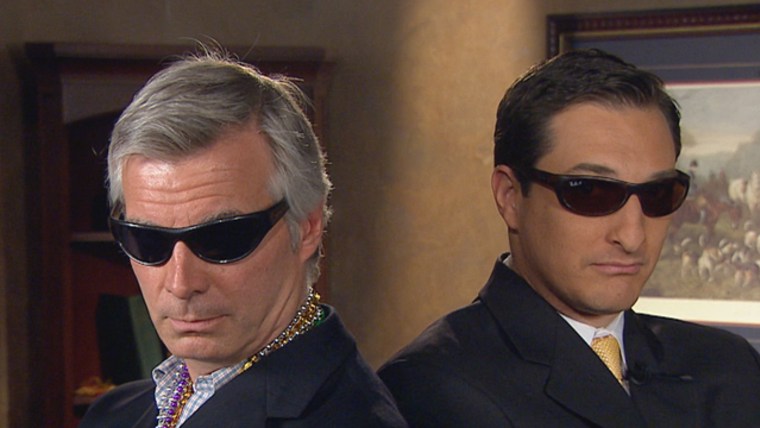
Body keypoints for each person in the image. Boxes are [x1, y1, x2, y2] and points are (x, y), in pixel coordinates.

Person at [378, 49, 760, 427]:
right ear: (510, 197)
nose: (632, 237)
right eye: (590, 192)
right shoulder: (430, 388)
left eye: (658, 194)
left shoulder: (731, 368)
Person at [80, 50, 407, 427]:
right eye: (147, 240)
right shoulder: (111, 415)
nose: (181, 284)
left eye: (222, 239)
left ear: (307, 226)